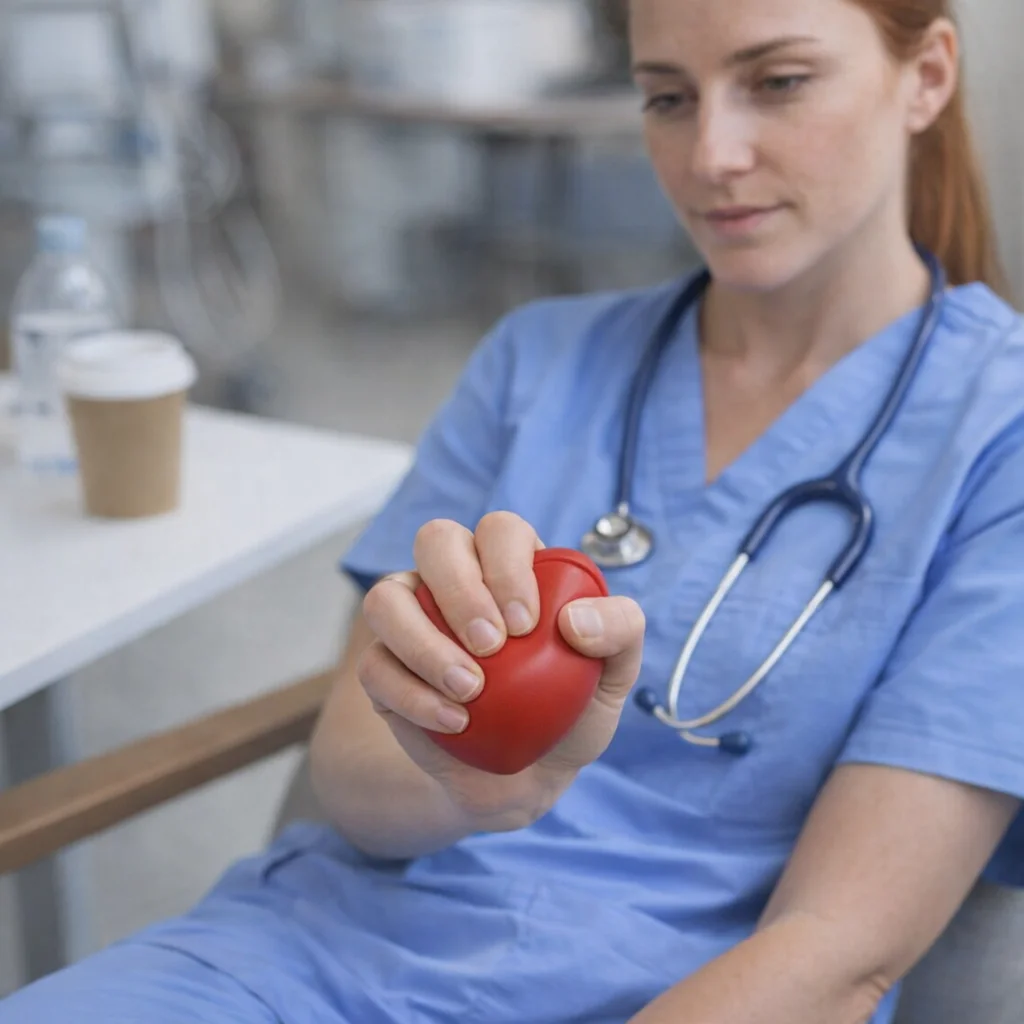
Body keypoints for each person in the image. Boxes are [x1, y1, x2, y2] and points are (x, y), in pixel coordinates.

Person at [5, 0, 1024, 1021]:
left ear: (926, 75)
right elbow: (351, 778)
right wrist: (466, 781)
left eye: (779, 82)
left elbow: (842, 950)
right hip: (303, 960)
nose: (711, 152)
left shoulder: (997, 435)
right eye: (666, 96)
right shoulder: (536, 362)